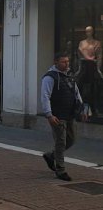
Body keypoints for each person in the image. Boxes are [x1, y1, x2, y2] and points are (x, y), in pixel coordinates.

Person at [41, 52, 88, 181]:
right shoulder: (50, 78)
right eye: (63, 62)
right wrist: (49, 115)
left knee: (71, 140)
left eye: (67, 61)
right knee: (61, 142)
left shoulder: (69, 76)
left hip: (70, 114)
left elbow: (76, 93)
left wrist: (83, 110)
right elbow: (45, 97)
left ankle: (51, 156)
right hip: (57, 115)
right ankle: (60, 170)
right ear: (56, 62)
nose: (67, 64)